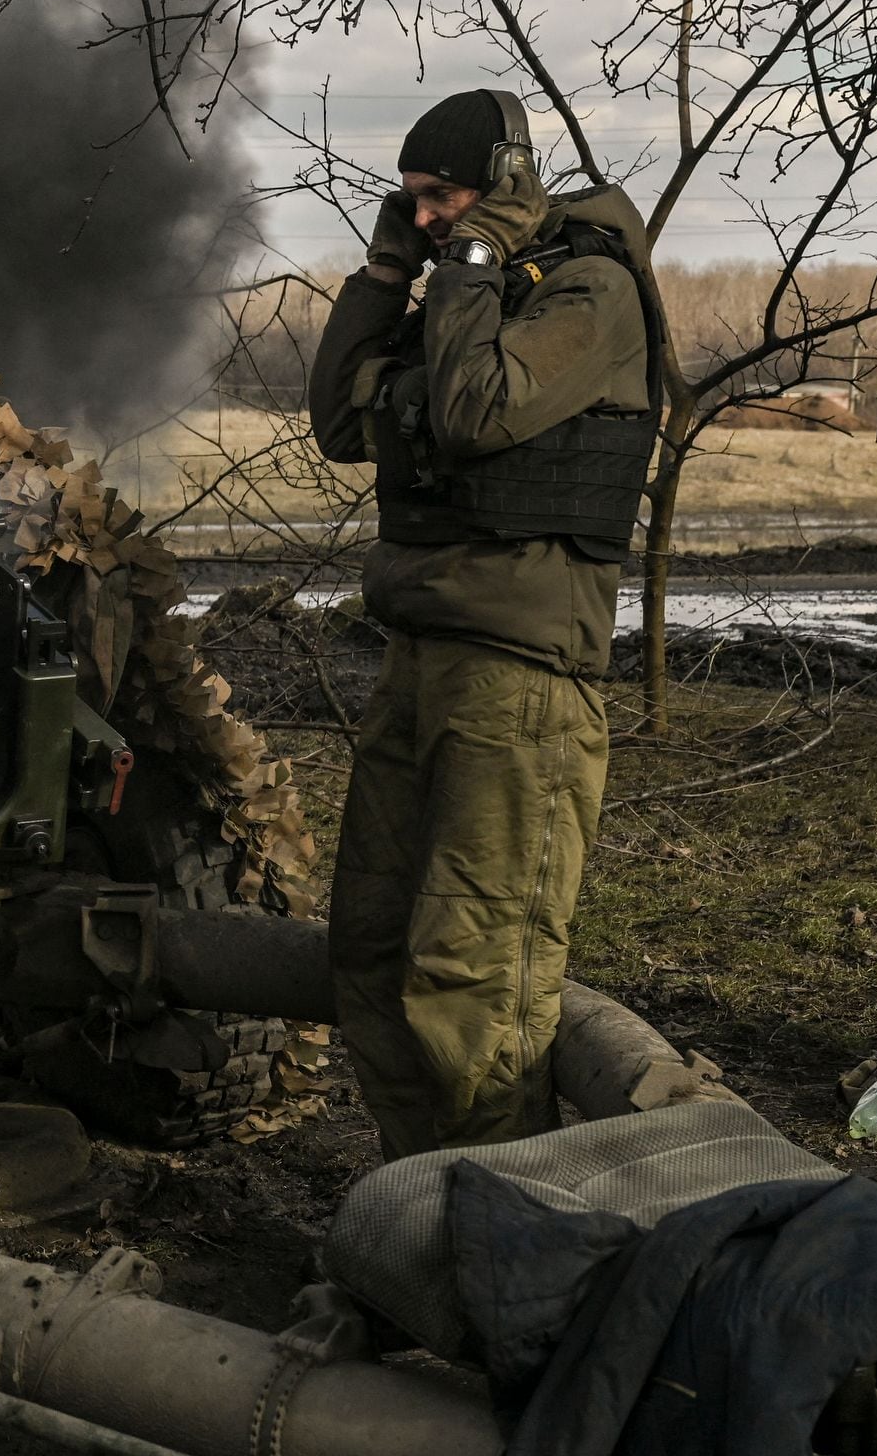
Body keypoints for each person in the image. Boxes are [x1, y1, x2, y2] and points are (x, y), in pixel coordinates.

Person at [305, 89, 662, 1159]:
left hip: (521, 687)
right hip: (420, 660)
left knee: (476, 976)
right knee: (369, 949)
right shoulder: (465, 295)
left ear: (505, 188)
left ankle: (501, 1235)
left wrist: (460, 269)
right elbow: (336, 421)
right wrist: (383, 280)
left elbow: (472, 410)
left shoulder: (589, 292)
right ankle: (419, 1212)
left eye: (441, 197)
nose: (423, 219)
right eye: (409, 201)